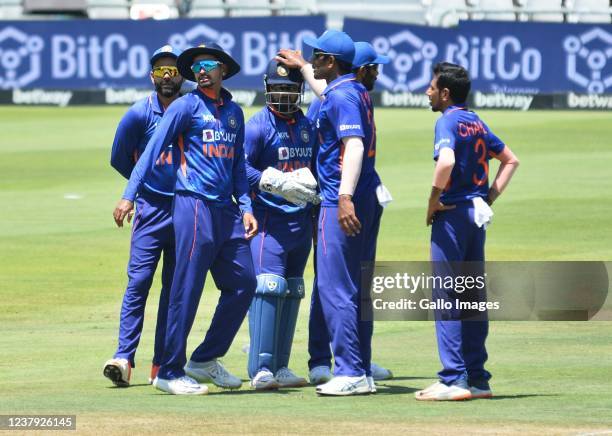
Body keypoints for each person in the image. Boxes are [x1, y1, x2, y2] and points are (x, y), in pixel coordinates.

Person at [117, 42, 258, 395]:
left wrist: (247, 207)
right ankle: (168, 370)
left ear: (223, 69)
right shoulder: (185, 105)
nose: (200, 70)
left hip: (227, 211)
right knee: (186, 287)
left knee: (244, 283)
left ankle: (204, 359)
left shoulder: (234, 112)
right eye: (195, 66)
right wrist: (128, 195)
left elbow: (237, 166)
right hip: (193, 204)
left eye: (207, 64)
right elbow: (151, 151)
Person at [276, 41, 394, 386]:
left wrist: (343, 197)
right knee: (356, 286)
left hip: (341, 200)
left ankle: (350, 371)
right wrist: (301, 67)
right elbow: (326, 91)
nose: (312, 61)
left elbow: (353, 144)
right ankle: (361, 367)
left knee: (335, 286)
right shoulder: (352, 90)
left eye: (316, 57)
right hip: (366, 194)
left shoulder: (342, 96)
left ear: (331, 61)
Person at [415, 62, 519, 401]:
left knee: (446, 295)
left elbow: (445, 162)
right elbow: (510, 160)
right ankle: (478, 379)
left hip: (453, 216)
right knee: (473, 296)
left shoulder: (446, 121)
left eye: (432, 87)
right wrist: (487, 197)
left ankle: (453, 379)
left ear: (445, 93)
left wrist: (432, 200)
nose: (428, 92)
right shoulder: (476, 121)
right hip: (476, 217)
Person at [104, 45, 183, 387]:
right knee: (138, 283)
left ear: (183, 75)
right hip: (151, 211)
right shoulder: (138, 114)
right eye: (161, 71)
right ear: (152, 76)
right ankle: (123, 357)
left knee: (173, 289)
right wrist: (139, 191)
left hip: (185, 210)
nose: (167, 77)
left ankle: (160, 364)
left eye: (173, 70)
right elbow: (120, 158)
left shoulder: (191, 110)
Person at [244, 59, 320, 390]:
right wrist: (271, 181)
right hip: (268, 222)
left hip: (300, 222)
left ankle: (283, 366)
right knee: (269, 288)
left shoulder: (307, 125)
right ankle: (261, 368)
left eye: (290, 90)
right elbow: (237, 171)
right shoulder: (257, 126)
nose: (284, 97)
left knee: (293, 291)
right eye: (277, 90)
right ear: (267, 89)